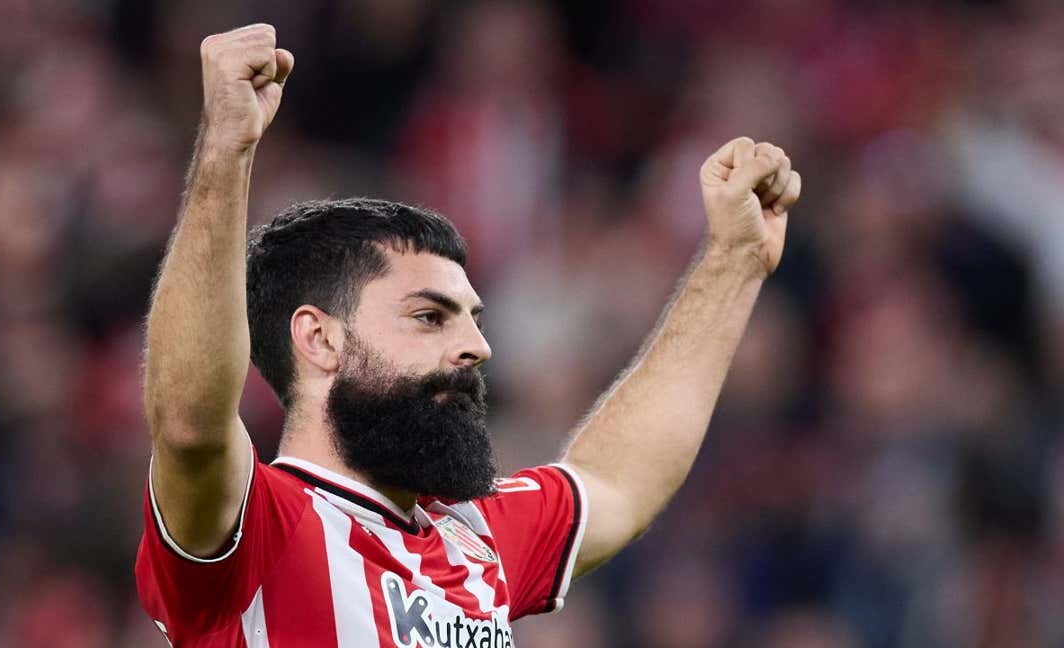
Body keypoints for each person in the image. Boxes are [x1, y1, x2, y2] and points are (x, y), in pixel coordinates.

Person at [134, 23, 802, 647]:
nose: (477, 349)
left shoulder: (473, 534)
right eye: (430, 317)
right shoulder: (259, 527)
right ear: (320, 340)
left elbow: (620, 482)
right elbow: (191, 425)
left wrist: (733, 261)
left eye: (472, 320)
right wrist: (227, 150)